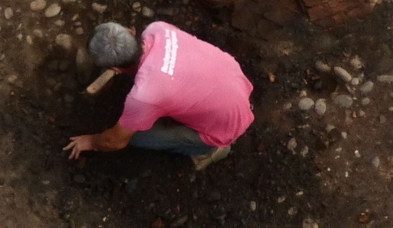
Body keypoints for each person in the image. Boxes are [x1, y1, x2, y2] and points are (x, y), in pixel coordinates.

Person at [64, 21, 253, 170]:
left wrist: (91, 141)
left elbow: (114, 141)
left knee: (137, 138)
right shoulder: (158, 28)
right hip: (236, 86)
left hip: (226, 126)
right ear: (130, 32)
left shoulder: (144, 95)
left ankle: (211, 151)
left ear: (115, 68)